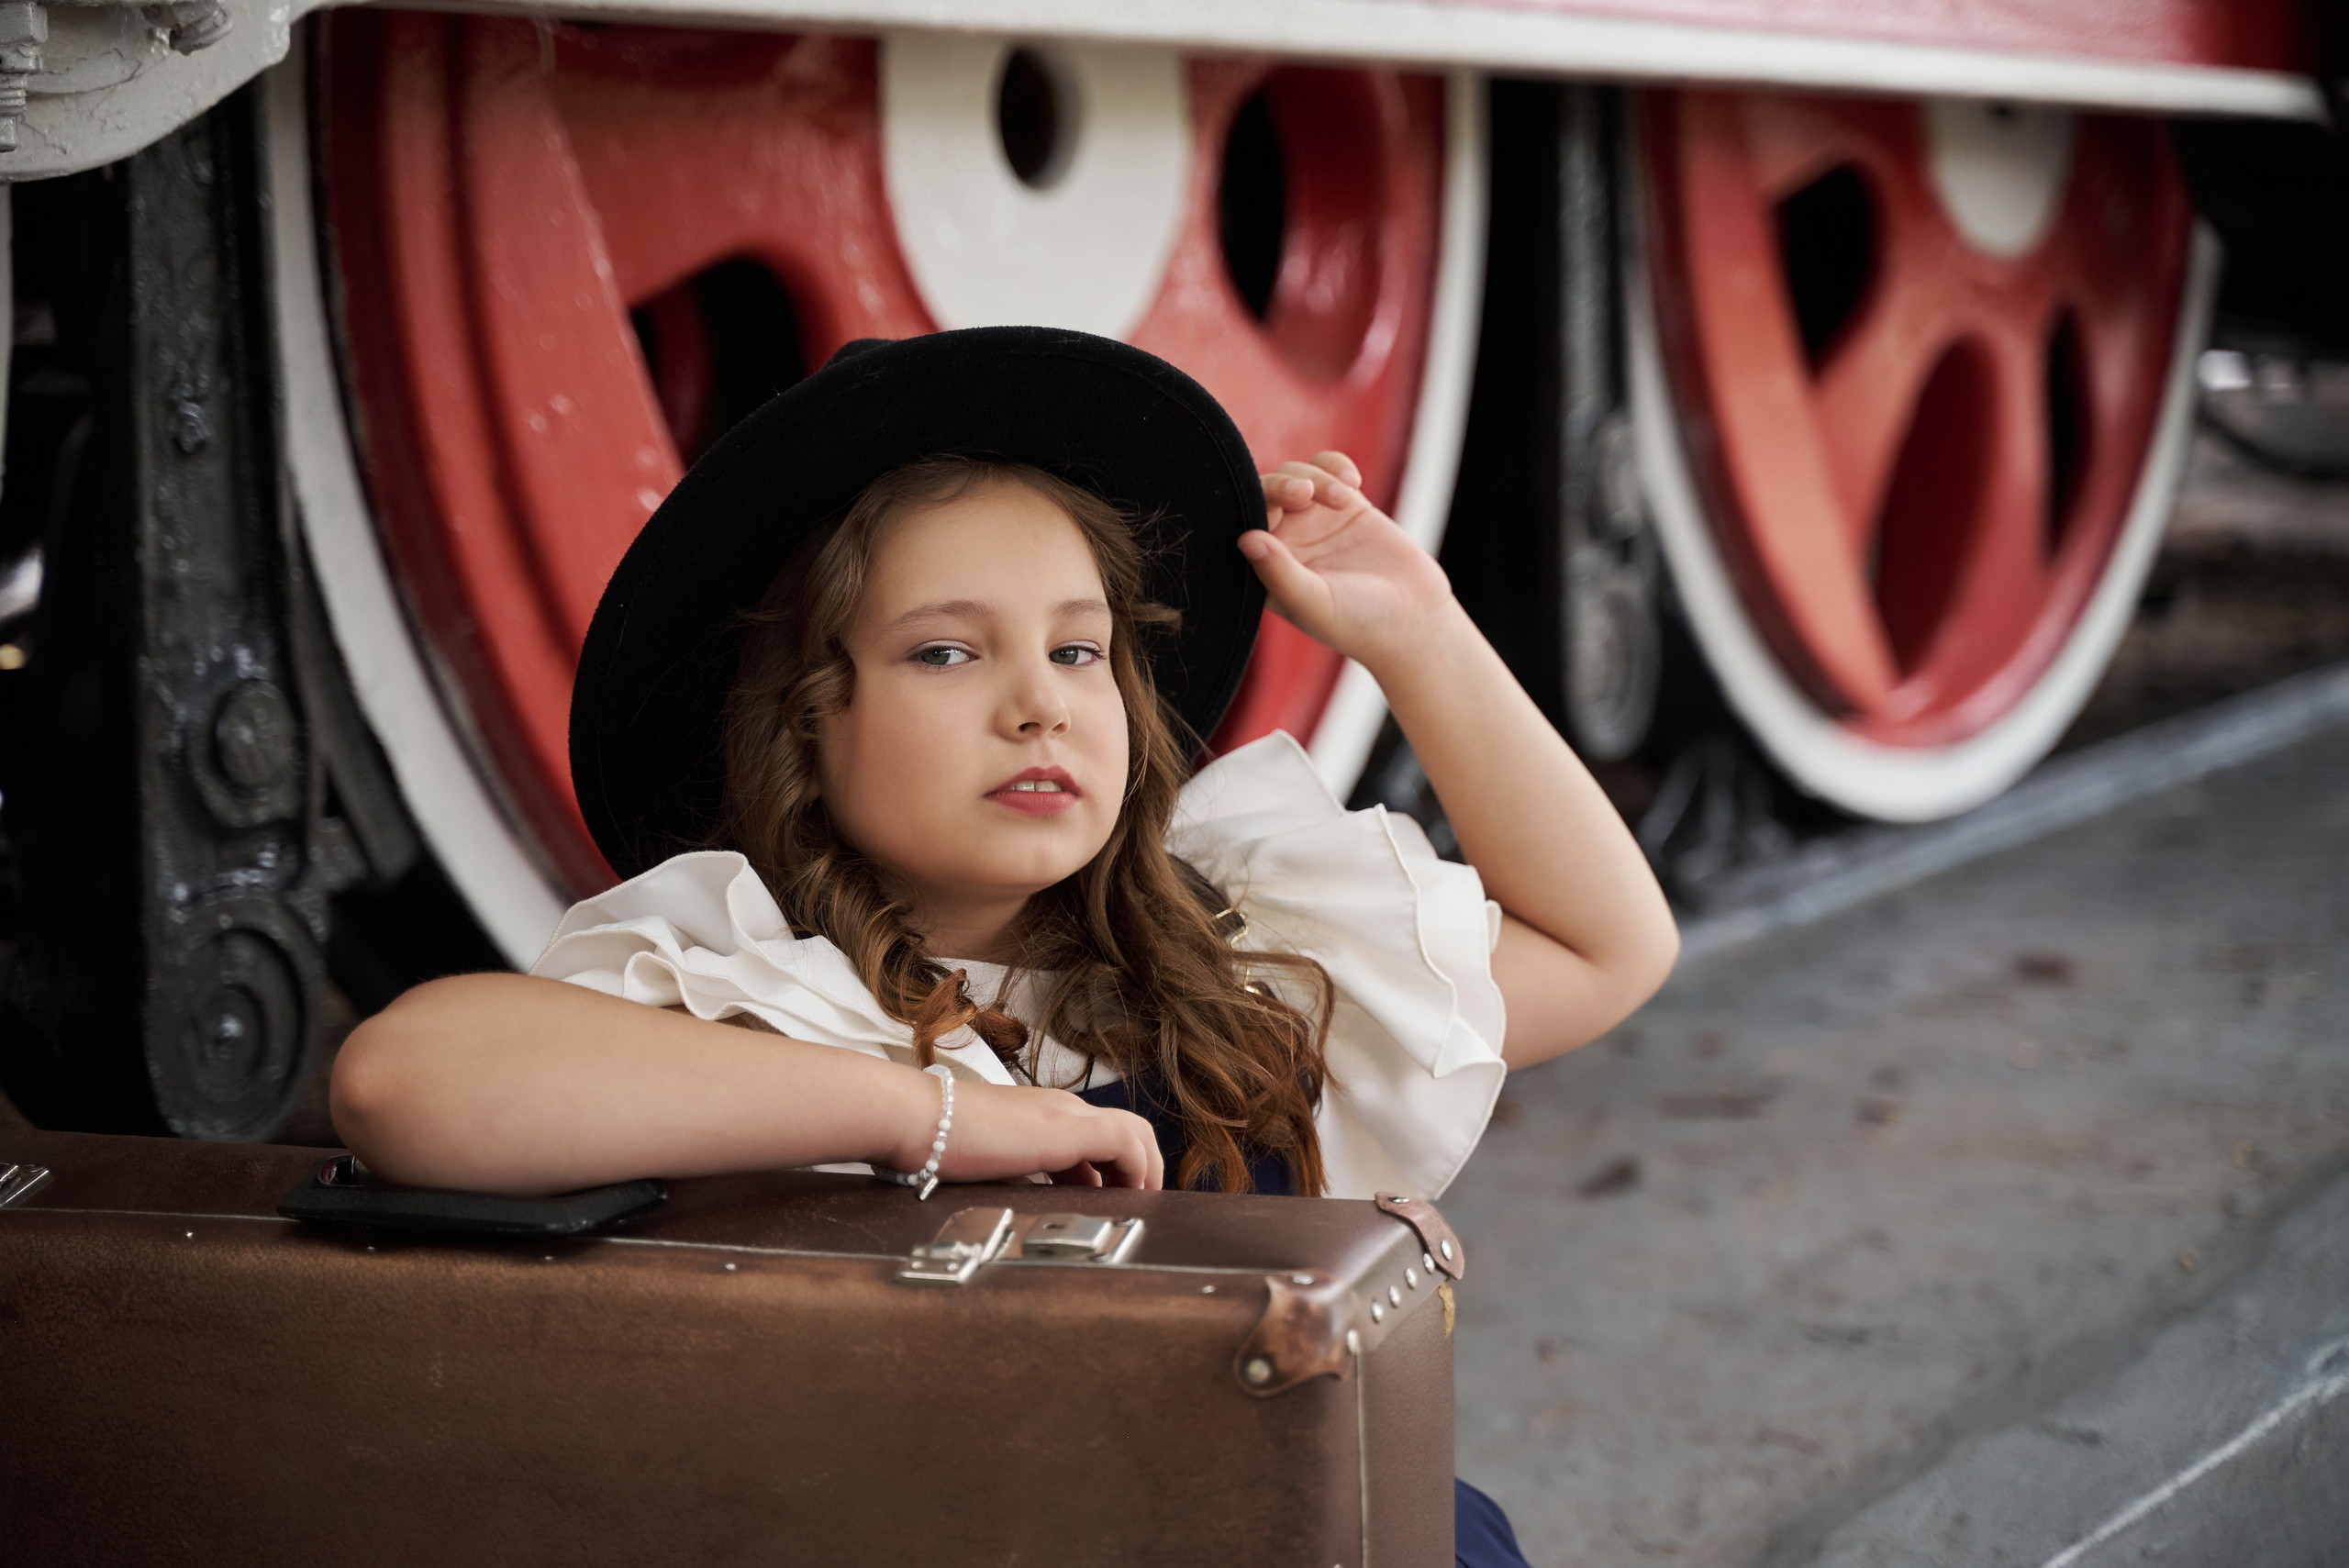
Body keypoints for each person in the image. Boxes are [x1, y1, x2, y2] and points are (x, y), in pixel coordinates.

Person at [331, 328, 1677, 1565]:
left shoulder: (1240, 962)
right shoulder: (755, 992)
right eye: (945, 654)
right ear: (807, 721)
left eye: (1081, 652)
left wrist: (1422, 637)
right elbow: (403, 1083)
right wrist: (938, 1113)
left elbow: (1604, 949)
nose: (1040, 704)